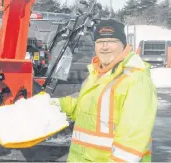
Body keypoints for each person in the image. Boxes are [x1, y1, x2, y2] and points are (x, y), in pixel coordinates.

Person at [51, 19, 157, 162]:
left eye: (111, 41)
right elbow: (87, 110)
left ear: (124, 44)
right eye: (100, 42)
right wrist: (57, 104)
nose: (105, 47)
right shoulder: (97, 73)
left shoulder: (136, 79)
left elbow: (132, 138)